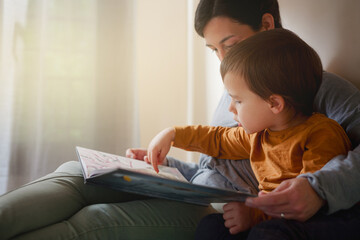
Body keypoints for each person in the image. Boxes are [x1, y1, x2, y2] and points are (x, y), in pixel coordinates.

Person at [0, 0, 359, 239]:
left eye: (228, 45)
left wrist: (318, 189)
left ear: (267, 25)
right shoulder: (241, 88)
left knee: (93, 221)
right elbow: (217, 155)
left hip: (227, 210)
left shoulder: (318, 92)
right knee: (76, 173)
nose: (220, 60)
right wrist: (167, 164)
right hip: (197, 185)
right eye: (213, 50)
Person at [146, 28, 352, 238]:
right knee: (212, 227)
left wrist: (256, 215)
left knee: (269, 233)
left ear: (274, 103)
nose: (231, 109)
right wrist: (173, 134)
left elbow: (306, 203)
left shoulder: (320, 135)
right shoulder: (259, 135)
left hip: (314, 220)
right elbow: (217, 139)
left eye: (238, 101)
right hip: (268, 215)